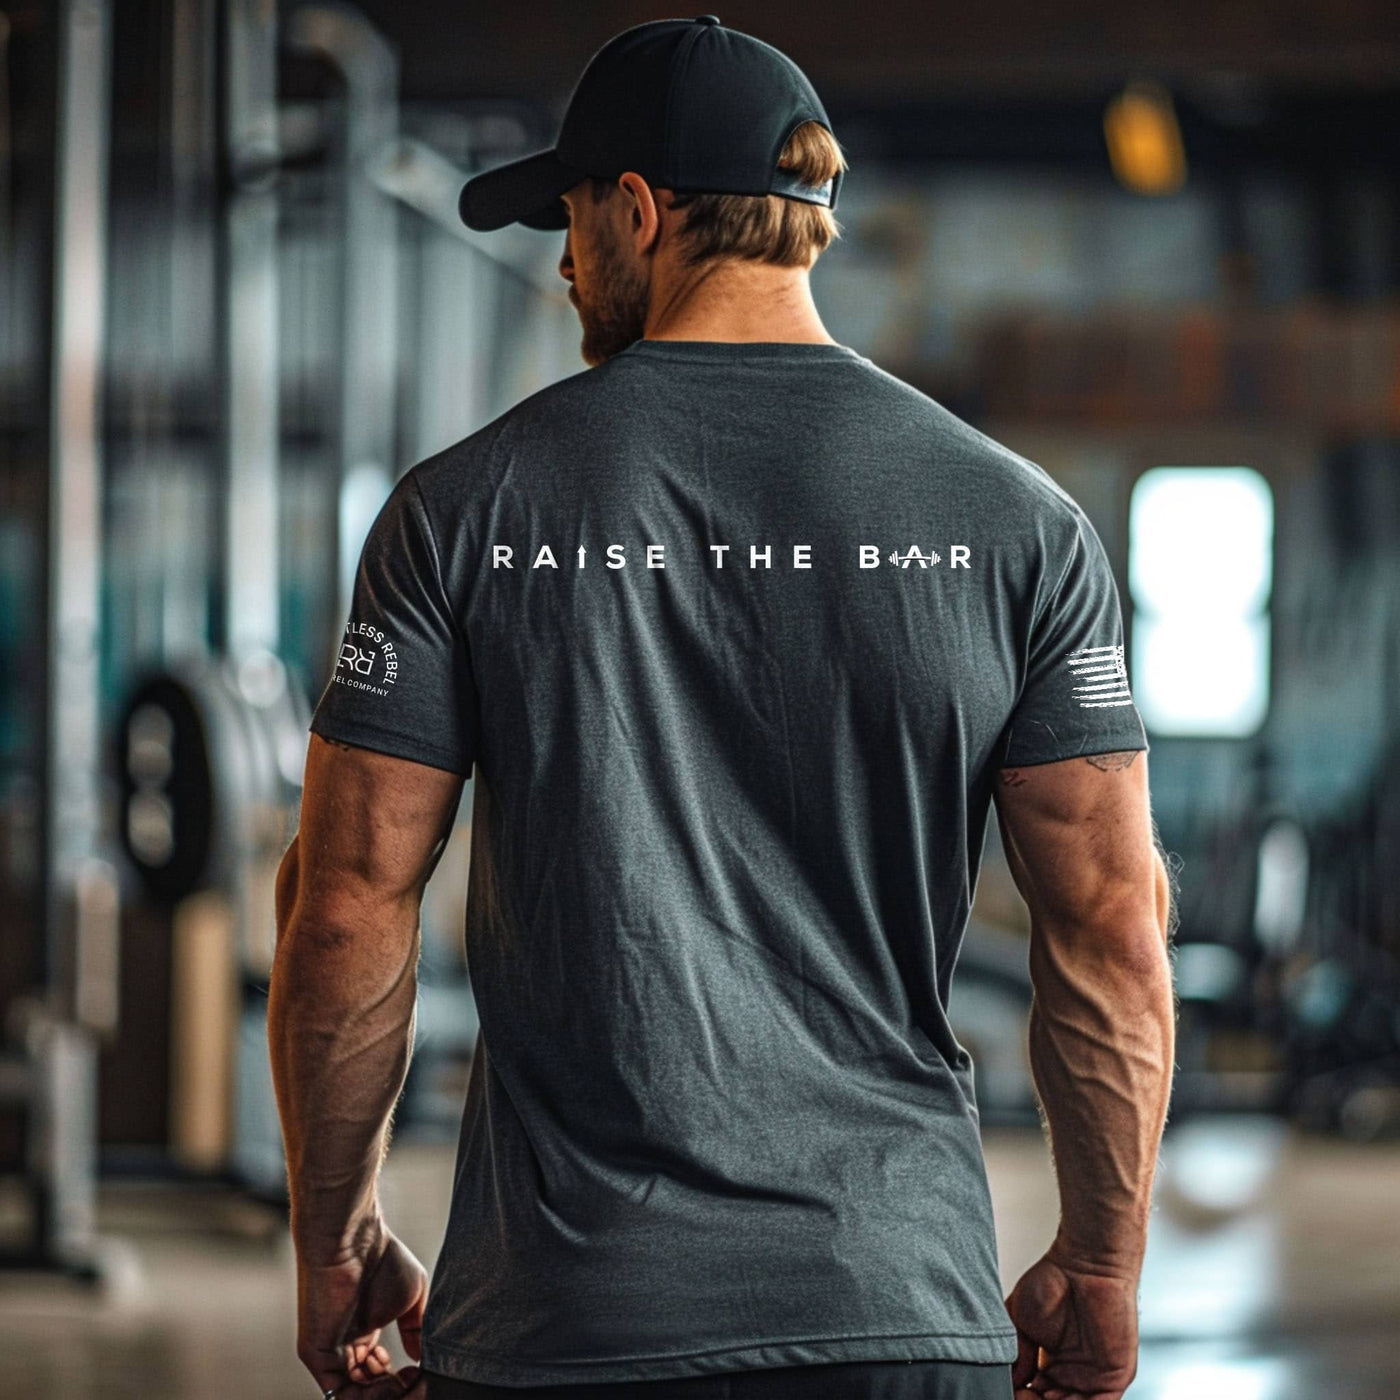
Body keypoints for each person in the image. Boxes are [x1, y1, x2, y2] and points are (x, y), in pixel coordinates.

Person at [267, 15, 1177, 1400]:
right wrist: (1104, 1264)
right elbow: (1113, 925)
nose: (567, 266)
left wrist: (335, 1239)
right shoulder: (1021, 528)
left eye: (571, 223)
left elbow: (343, 908)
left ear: (638, 210)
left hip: (569, 1328)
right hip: (893, 1312)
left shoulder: (462, 511)